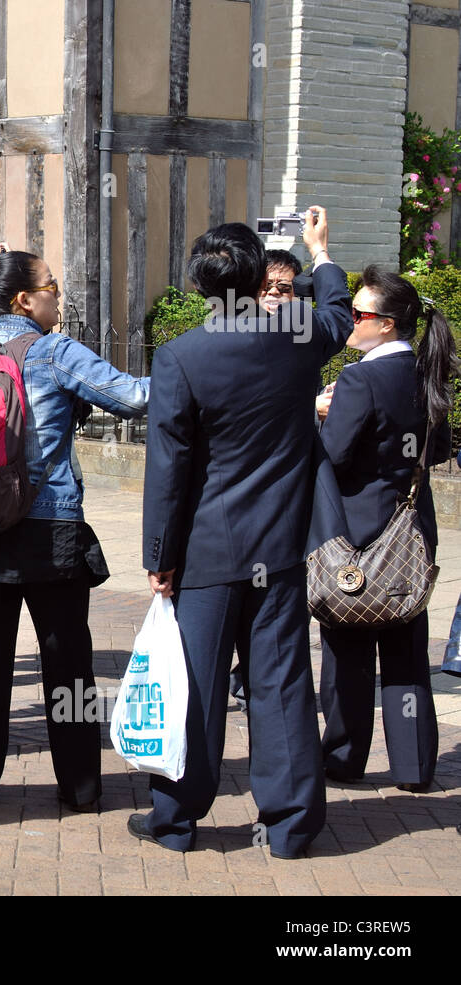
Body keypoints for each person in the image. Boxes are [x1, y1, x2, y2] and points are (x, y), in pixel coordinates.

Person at [133, 208, 351, 859]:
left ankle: (174, 819)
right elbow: (340, 313)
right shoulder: (300, 335)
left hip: (206, 551)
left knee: (196, 687)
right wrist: (321, 252)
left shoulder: (182, 356)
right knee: (283, 683)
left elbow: (168, 467)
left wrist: (159, 556)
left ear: (201, 286)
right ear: (260, 278)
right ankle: (289, 826)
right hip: (280, 545)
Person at [0, 251, 149, 812]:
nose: (59, 295)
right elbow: (133, 397)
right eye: (51, 286)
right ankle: (80, 787)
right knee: (67, 664)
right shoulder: (55, 352)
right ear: (23, 300)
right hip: (47, 526)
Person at [314, 264, 454, 792]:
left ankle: (345, 758)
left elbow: (333, 456)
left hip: (357, 533)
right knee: (406, 650)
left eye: (360, 313)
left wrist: (319, 414)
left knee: (347, 650)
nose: (352, 320)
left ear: (388, 324)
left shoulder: (360, 377)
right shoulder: (425, 373)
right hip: (411, 529)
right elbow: (437, 450)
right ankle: (415, 766)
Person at [228, 246, 309, 713]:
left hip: (283, 505)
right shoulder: (231, 336)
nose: (280, 296)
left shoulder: (300, 339)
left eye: (289, 289)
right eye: (271, 287)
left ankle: (253, 678)